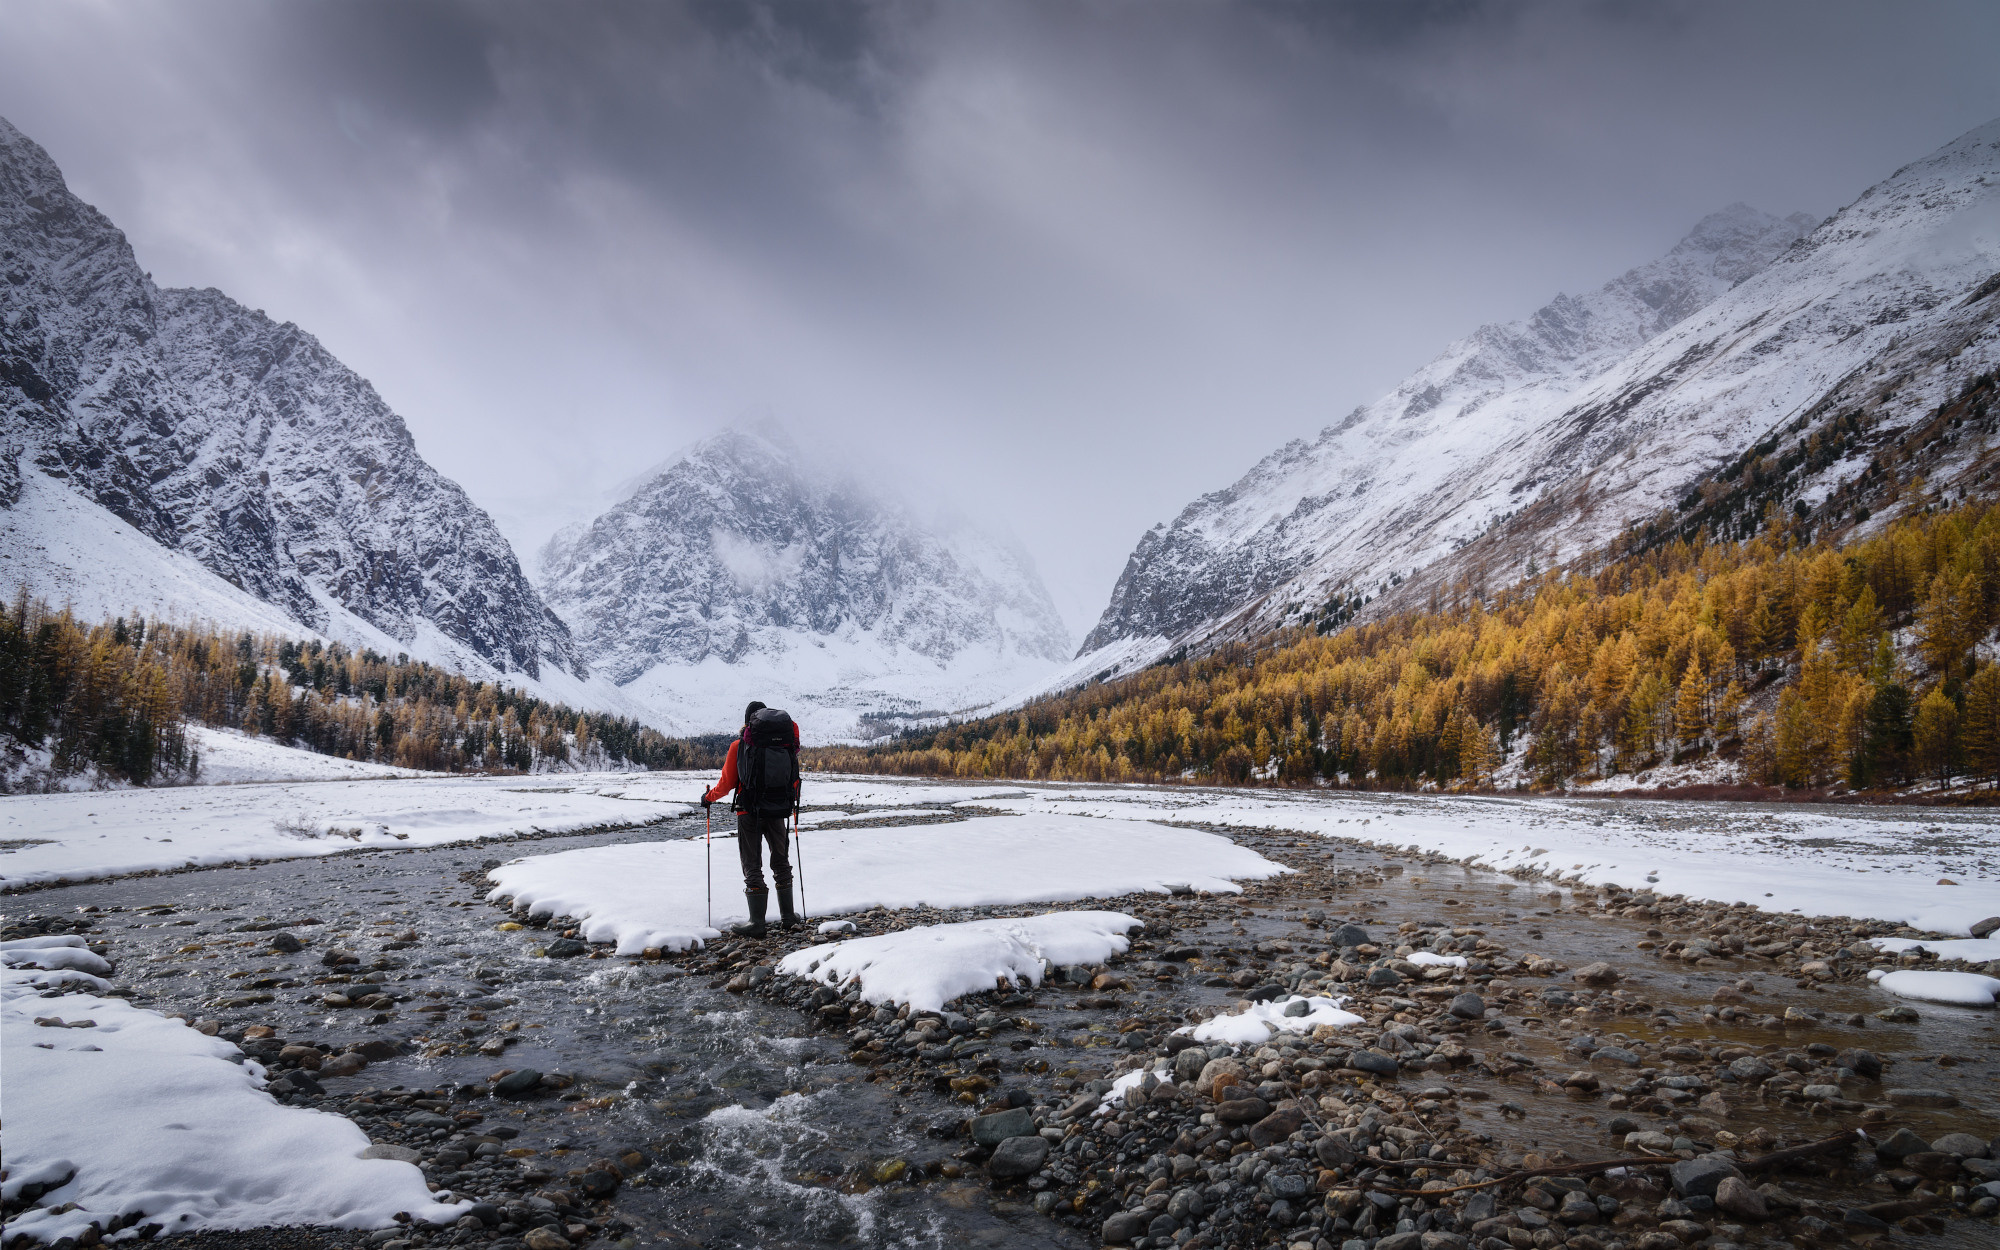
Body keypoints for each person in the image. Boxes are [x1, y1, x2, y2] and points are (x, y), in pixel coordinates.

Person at [702, 701, 801, 937]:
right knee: (781, 860)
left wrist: (708, 797)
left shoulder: (739, 746)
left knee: (752, 864)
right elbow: (793, 778)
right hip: (778, 811)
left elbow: (726, 784)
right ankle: (789, 917)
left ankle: (757, 923)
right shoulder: (784, 745)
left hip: (749, 813)